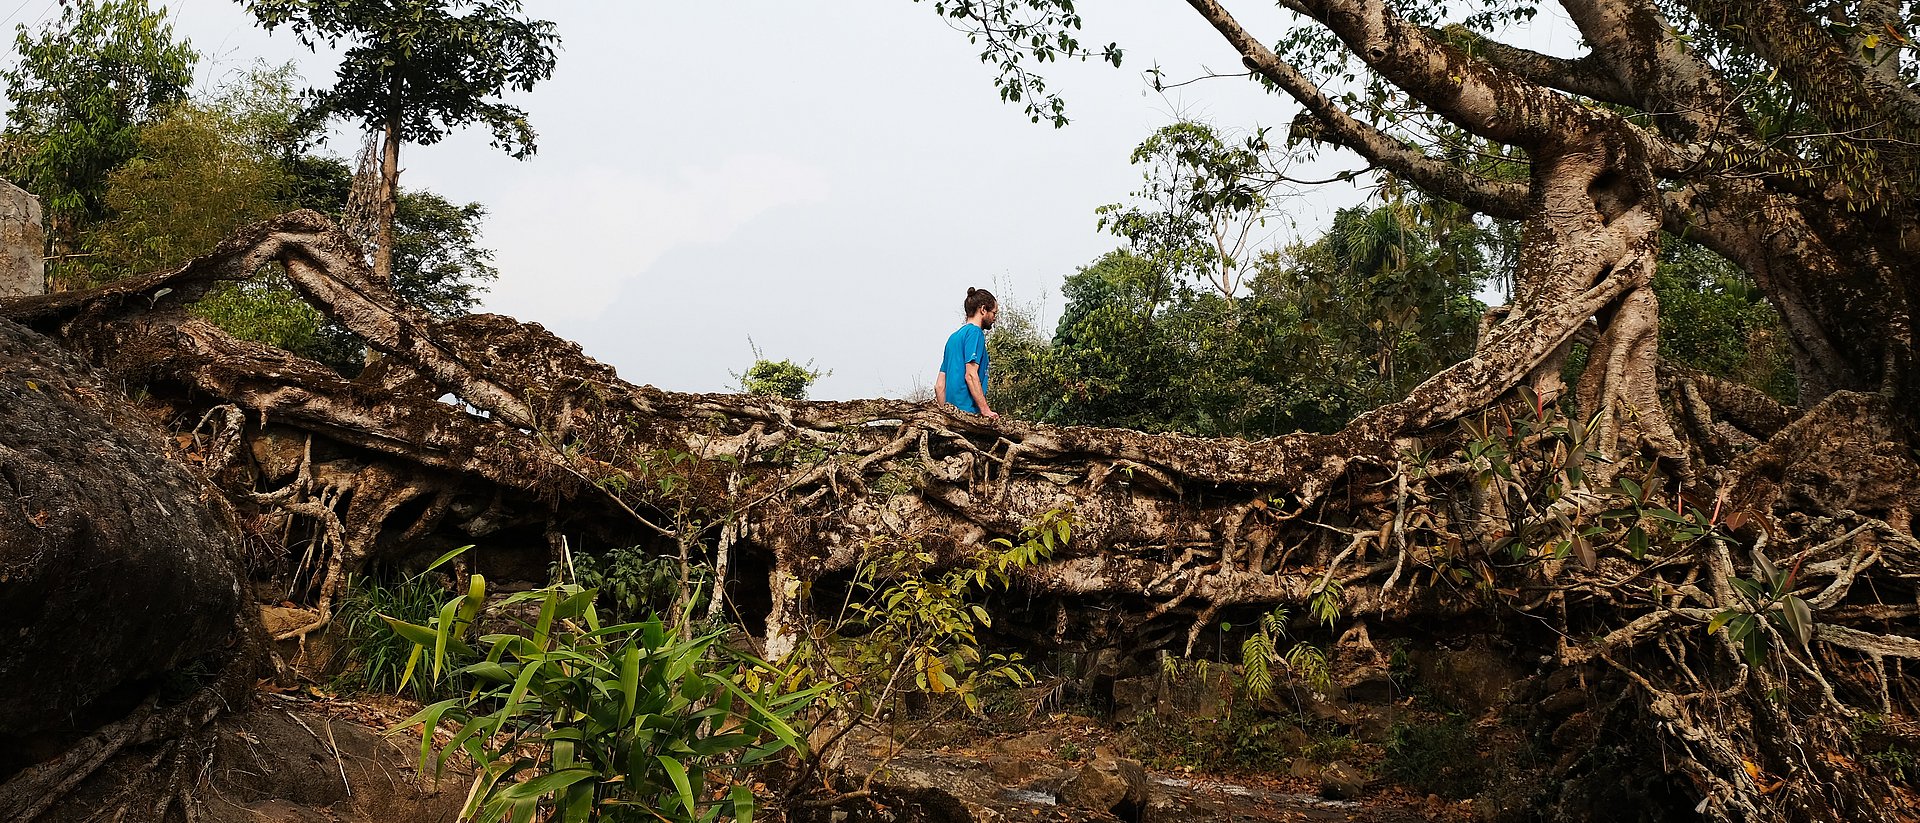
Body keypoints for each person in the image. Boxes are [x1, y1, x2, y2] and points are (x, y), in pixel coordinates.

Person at [936, 287, 999, 419]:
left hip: (952, 418)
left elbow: (939, 386)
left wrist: (948, 417)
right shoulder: (975, 333)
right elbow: (970, 375)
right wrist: (986, 410)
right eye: (994, 313)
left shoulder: (953, 338)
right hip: (969, 415)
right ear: (983, 310)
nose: (994, 318)